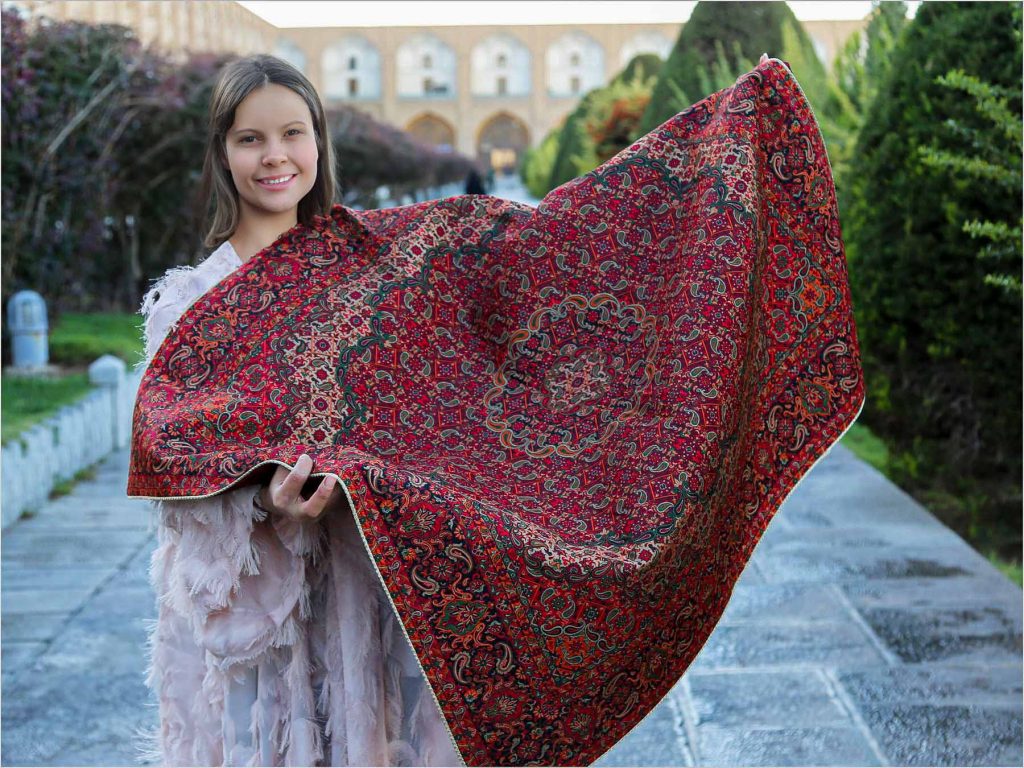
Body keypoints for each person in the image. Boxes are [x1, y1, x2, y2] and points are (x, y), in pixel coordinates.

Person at [137, 54, 462, 767]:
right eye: (250, 138)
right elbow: (177, 487)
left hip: (370, 589)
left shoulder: (372, 274)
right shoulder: (192, 305)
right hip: (269, 615)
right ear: (222, 153)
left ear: (319, 140)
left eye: (293, 132)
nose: (275, 156)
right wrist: (268, 506)